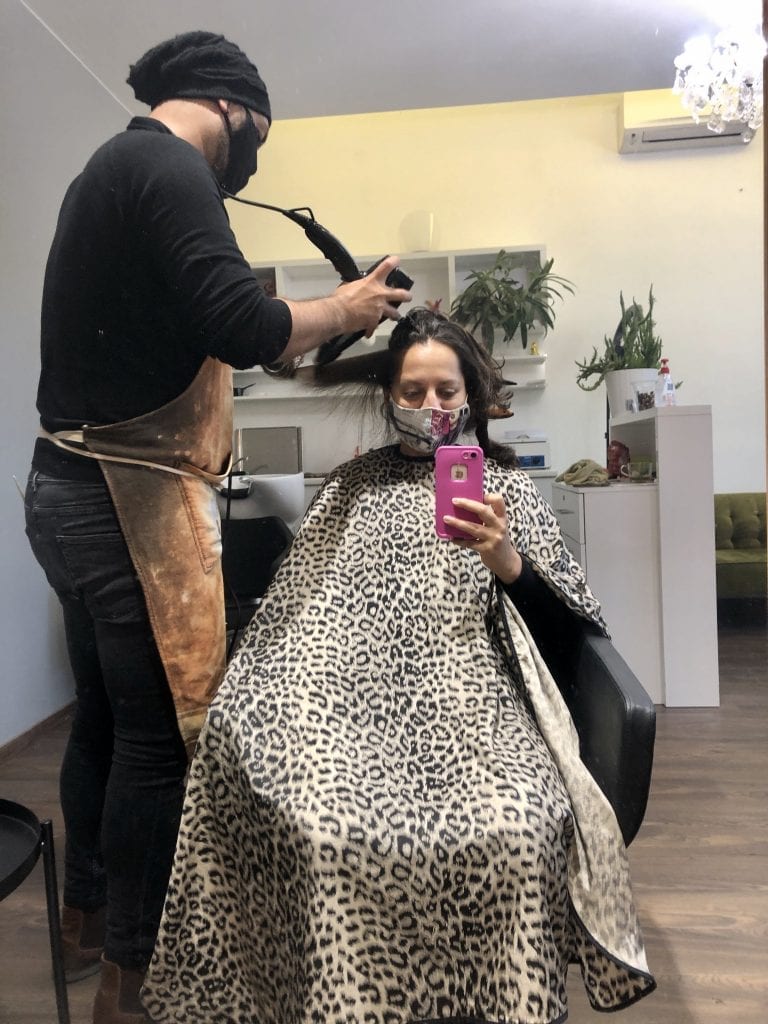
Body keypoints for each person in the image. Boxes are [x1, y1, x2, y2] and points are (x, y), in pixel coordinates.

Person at [23, 29, 411, 1024]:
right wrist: (353, 302)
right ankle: (131, 981)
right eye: (260, 142)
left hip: (60, 490)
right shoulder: (170, 167)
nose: (253, 167)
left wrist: (331, 317)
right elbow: (246, 327)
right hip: (126, 503)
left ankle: (80, 917)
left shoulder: (106, 172)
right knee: (156, 742)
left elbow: (210, 321)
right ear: (232, 110)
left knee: (101, 717)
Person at [142, 308, 656, 1024]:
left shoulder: (508, 493)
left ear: (471, 396)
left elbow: (571, 643)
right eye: (412, 392)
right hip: (345, 703)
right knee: (323, 829)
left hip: (476, 700)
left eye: (446, 392)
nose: (430, 408)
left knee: (520, 827)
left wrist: (505, 561)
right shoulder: (352, 488)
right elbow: (295, 620)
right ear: (389, 396)